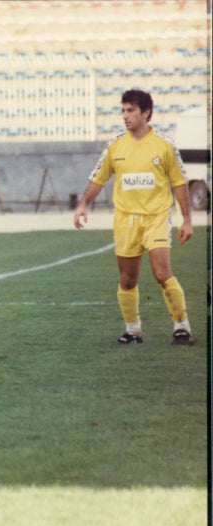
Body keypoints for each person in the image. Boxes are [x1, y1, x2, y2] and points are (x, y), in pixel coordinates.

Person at [73, 88, 194, 346]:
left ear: (146, 113)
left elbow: (180, 183)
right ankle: (133, 331)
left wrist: (187, 220)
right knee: (127, 279)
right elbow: (99, 178)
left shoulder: (164, 145)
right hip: (125, 220)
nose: (125, 116)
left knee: (162, 273)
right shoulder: (116, 145)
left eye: (131, 110)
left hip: (156, 218)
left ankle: (182, 326)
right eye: (123, 110)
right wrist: (83, 204)